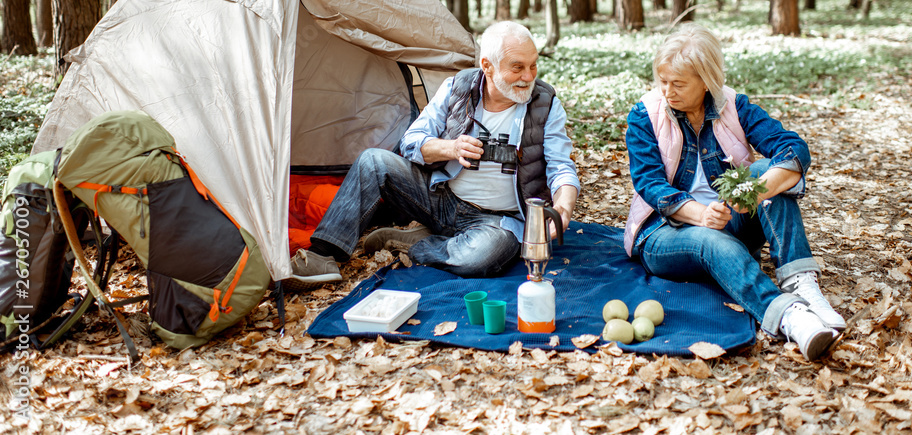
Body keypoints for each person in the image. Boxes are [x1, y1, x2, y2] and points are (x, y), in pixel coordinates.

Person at [286, 21, 580, 289]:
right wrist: (450, 148)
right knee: (373, 161)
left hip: (496, 220)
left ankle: (420, 244)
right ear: (487, 66)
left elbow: (560, 168)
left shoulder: (545, 104)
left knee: (487, 255)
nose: (528, 77)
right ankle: (323, 255)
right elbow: (411, 142)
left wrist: (563, 209)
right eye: (517, 68)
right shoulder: (457, 88)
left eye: (533, 66)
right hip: (440, 199)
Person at [624, 23, 844, 361]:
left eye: (679, 83)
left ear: (707, 80)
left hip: (733, 221)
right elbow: (649, 184)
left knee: (765, 174)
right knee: (711, 240)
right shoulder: (645, 114)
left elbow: (794, 148)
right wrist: (700, 214)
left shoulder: (734, 105)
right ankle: (791, 318)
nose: (668, 92)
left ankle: (801, 282)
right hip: (665, 235)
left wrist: (758, 192)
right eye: (663, 81)